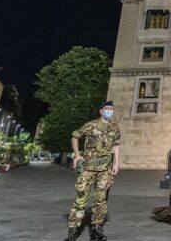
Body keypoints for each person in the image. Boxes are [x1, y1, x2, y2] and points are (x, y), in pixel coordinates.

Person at [66, 101, 121, 241]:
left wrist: (116, 163)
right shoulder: (90, 125)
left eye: (111, 109)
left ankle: (97, 228)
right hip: (88, 168)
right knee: (81, 197)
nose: (109, 111)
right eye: (107, 109)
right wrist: (77, 154)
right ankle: (73, 230)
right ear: (101, 111)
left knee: (101, 199)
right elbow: (75, 136)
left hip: (104, 169)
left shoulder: (115, 128)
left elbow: (116, 146)